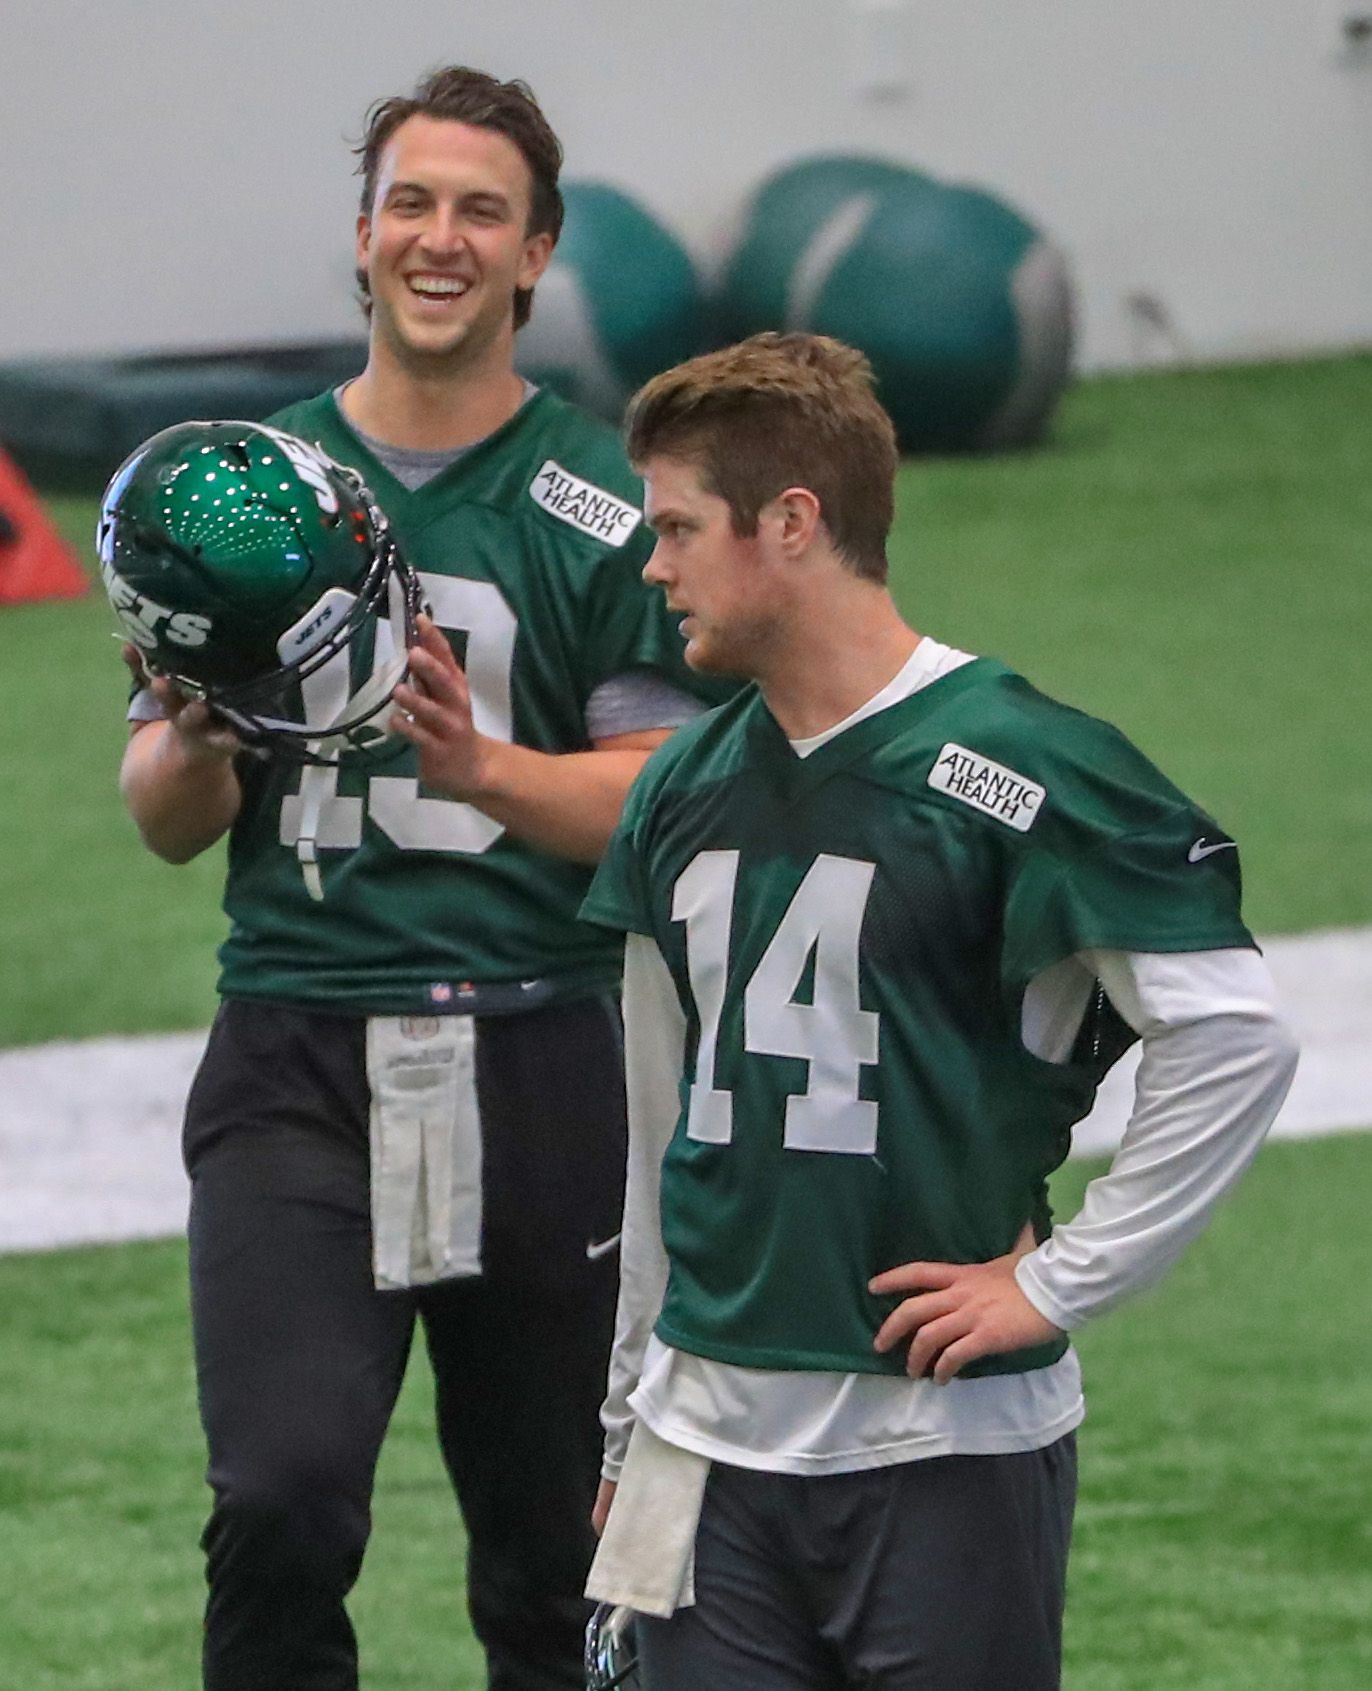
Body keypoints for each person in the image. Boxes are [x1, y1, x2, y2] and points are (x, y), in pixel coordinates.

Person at [115, 65, 726, 1691]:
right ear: (362, 232)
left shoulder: (611, 498)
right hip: (302, 1048)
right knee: (282, 1500)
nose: (438, 238)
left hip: (545, 1058)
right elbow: (164, 817)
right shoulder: (250, 481)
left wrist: (484, 773)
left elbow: (669, 798)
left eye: (480, 210)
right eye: (411, 202)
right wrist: (202, 726)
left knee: (551, 1561)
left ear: (537, 254)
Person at [579, 332, 1299, 1690]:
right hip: (707, 1440)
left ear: (790, 524)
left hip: (939, 1448)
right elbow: (659, 1139)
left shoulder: (1024, 767)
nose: (654, 565)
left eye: (677, 527)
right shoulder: (677, 791)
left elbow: (1236, 1034)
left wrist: (1058, 1280)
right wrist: (627, 1431)